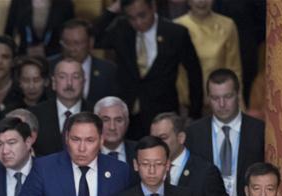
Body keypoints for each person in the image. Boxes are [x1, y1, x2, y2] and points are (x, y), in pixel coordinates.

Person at [92, 0, 203, 138]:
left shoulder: (175, 33)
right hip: (127, 116)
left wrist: (194, 113)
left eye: (142, 15)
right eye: (132, 18)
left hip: (162, 114)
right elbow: (91, 38)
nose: (138, 22)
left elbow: (194, 73)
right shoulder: (122, 29)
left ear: (153, 7)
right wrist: (112, 10)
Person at [150, 111, 230, 196]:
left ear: (181, 137)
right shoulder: (149, 171)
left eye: (163, 138)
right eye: (154, 139)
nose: (157, 145)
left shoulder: (205, 173)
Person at [183, 68, 264, 196]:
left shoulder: (259, 131)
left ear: (238, 95)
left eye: (227, 97)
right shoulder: (194, 133)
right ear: (208, 98)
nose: (221, 104)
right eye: (215, 98)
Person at [175, 0, 242, 112]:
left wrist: (238, 102)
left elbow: (235, 69)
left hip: (221, 103)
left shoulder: (227, 25)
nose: (201, 2)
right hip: (185, 106)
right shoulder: (176, 27)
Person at [49, 18, 118, 106]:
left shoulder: (108, 70)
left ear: (91, 42)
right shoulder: (49, 67)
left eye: (77, 43)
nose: (71, 49)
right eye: (66, 43)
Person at [32, 58, 89, 158]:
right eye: (62, 77)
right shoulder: (36, 114)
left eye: (75, 77)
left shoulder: (95, 113)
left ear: (84, 82)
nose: (69, 83)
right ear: (53, 82)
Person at [5, 0, 75, 57]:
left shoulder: (65, 4)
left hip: (55, 58)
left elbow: (71, 37)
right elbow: (8, 34)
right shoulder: (18, 2)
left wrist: (47, 51)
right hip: (24, 58)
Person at [94, 96, 136, 164]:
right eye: (106, 120)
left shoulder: (139, 151)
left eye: (118, 120)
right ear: (95, 123)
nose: (112, 127)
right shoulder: (86, 153)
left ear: (127, 123)